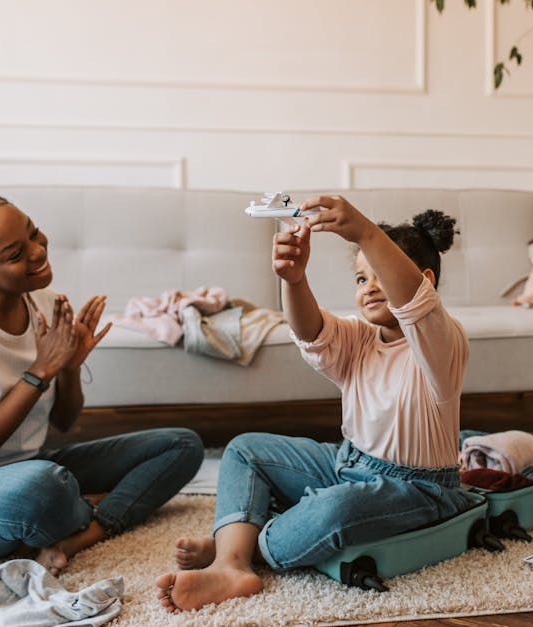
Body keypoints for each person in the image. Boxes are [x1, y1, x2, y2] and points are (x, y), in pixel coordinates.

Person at [155, 195, 473, 611]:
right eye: (361, 279)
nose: (369, 286)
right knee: (245, 449)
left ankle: (243, 542)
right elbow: (310, 330)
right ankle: (232, 563)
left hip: (417, 488)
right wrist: (294, 279)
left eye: (379, 274)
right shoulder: (360, 339)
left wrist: (363, 230)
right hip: (347, 462)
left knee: (334, 510)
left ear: (425, 281)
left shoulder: (441, 343)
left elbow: (414, 302)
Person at [0, 189, 204, 574]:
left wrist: (69, 367)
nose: (37, 251)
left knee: (180, 445)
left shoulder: (44, 302)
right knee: (42, 489)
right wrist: (39, 372)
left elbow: (65, 424)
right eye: (15, 254)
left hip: (29, 465)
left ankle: (86, 528)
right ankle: (95, 503)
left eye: (34, 233)